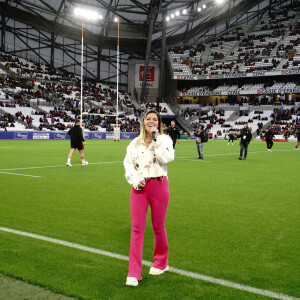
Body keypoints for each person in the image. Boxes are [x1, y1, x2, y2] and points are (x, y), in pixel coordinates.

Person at [124, 109, 174, 287]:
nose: (151, 121)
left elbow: (168, 158)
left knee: (158, 227)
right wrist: (135, 180)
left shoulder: (164, 140)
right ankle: (133, 272)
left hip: (159, 186)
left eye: (155, 119)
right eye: (148, 118)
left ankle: (161, 262)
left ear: (159, 124)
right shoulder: (134, 144)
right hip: (139, 187)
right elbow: (128, 165)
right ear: (143, 122)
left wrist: (156, 140)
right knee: (137, 228)